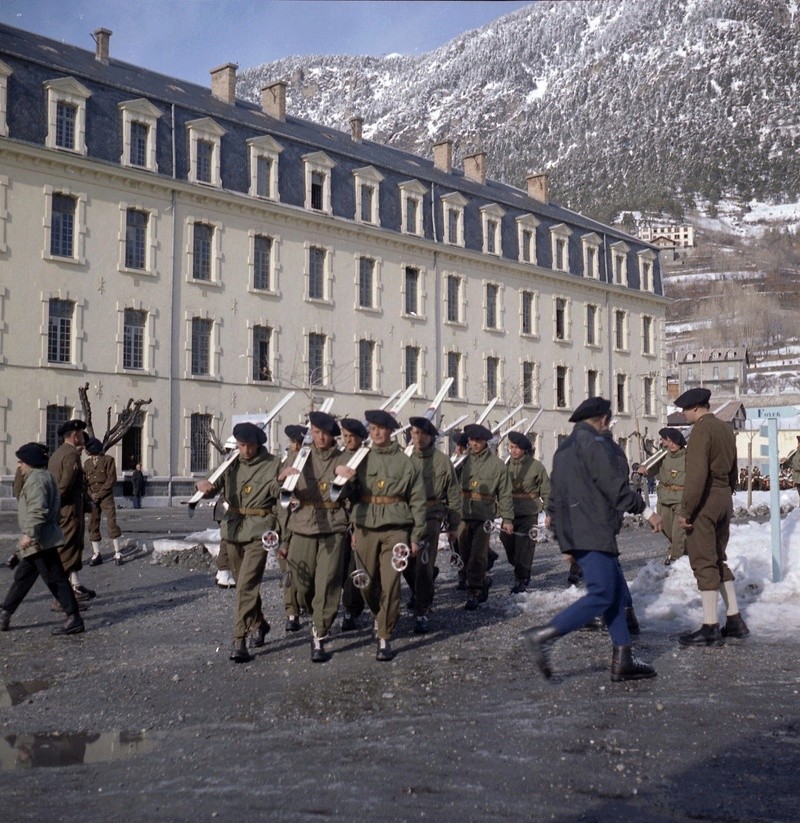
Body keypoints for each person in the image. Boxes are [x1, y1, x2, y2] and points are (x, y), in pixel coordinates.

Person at [523, 397, 660, 682]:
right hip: (595, 529)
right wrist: (647, 511)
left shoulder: (562, 451)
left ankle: (623, 657)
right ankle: (545, 635)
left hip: (577, 533)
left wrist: (564, 541)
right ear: (603, 420)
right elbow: (615, 487)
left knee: (611, 594)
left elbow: (555, 498)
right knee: (603, 594)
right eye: (607, 421)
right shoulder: (595, 446)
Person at [339, 409, 426, 661]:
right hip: (365, 526)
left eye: (381, 429)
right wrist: (346, 481)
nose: (376, 433)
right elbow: (349, 497)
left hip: (395, 528)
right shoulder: (360, 458)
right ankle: (382, 614)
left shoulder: (405, 462)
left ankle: (385, 636)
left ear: (390, 431)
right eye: (373, 429)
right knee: (364, 582)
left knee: (391, 583)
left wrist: (415, 536)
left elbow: (418, 501)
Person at [195, 422, 281, 663]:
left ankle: (239, 639)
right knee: (245, 583)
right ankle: (259, 624)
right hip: (233, 530)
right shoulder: (230, 463)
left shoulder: (273, 464)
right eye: (241, 446)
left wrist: (281, 532)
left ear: (258, 444)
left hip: (258, 532)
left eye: (249, 446)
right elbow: (212, 484)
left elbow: (280, 496)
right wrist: (201, 485)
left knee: (245, 585)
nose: (245, 451)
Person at [675, 388, 749, 646]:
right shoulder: (725, 428)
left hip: (704, 500)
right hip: (723, 497)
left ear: (696, 407)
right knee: (718, 559)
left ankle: (710, 625)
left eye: (684, 409)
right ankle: (735, 620)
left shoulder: (700, 431)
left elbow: (696, 475)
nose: (682, 414)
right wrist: (728, 491)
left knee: (704, 561)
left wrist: (686, 511)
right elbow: (733, 469)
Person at [281, 411, 350, 662]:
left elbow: (356, 493)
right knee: (300, 583)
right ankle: (315, 612)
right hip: (302, 525)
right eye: (316, 432)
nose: (321, 437)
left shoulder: (345, 458)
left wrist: (350, 479)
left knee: (328, 581)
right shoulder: (298, 457)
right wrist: (280, 480)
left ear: (333, 436)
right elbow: (277, 491)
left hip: (333, 526)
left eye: (326, 433)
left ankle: (319, 634)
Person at [1, 443, 84, 636]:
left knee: (56, 579)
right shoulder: (41, 477)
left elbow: (38, 510)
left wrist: (29, 534)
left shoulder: (36, 480)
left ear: (29, 462)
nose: (19, 465)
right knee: (23, 578)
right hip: (40, 539)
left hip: (40, 540)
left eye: (21, 461)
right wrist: (19, 550)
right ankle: (5, 612)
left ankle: (74, 617)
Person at [406, 416, 461, 633]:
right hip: (408, 516)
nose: (417, 437)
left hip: (431, 516)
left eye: (422, 433)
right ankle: (423, 590)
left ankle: (422, 609)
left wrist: (454, 525)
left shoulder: (442, 462)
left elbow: (454, 494)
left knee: (423, 563)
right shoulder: (405, 459)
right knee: (405, 563)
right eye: (414, 433)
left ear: (431, 437)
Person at [457, 423, 514, 610]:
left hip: (484, 514)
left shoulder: (497, 465)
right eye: (471, 440)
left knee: (477, 555)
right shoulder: (462, 462)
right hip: (464, 513)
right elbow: (451, 487)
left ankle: (474, 591)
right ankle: (483, 580)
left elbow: (505, 493)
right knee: (464, 553)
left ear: (485, 442)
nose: (473, 444)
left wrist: (507, 519)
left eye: (478, 441)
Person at [48, 419, 94, 604]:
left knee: (72, 548)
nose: (84, 437)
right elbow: (65, 486)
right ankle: (64, 598)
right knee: (67, 550)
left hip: (64, 509)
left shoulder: (57, 454)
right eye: (82, 434)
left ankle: (74, 586)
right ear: (75, 436)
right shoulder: (72, 455)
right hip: (69, 511)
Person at [500, 431, 550, 593]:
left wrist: (549, 512)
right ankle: (521, 568)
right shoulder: (506, 466)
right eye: (511, 447)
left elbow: (546, 491)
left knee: (525, 546)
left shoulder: (536, 467)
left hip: (529, 513)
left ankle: (521, 578)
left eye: (516, 447)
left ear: (524, 449)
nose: (513, 450)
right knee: (506, 541)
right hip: (510, 512)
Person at [638, 427, 687, 565]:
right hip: (664, 497)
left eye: (668, 440)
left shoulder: (688, 456)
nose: (665, 443)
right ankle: (683, 550)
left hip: (681, 498)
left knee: (678, 532)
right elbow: (650, 469)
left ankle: (675, 559)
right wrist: (642, 469)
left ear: (676, 441)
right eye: (665, 440)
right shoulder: (662, 456)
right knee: (667, 530)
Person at [338, 417, 368, 632]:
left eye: (352, 437)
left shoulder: (366, 458)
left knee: (354, 567)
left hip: (359, 518)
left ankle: (351, 609)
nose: (348, 440)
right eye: (345, 436)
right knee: (336, 567)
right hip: (337, 520)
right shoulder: (337, 458)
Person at [276, 424, 307, 631]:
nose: (294, 446)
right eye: (292, 442)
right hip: (283, 522)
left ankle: (304, 603)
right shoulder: (282, 464)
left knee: (304, 570)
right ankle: (291, 612)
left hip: (302, 523)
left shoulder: (309, 461)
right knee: (287, 571)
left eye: (297, 442)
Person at [83, 438, 124, 567]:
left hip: (106, 496)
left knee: (111, 522)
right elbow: (85, 482)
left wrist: (99, 494)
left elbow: (111, 479)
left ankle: (117, 552)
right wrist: (91, 494)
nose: (86, 450)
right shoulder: (87, 463)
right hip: (92, 497)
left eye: (88, 448)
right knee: (93, 523)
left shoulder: (108, 460)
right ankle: (96, 553)